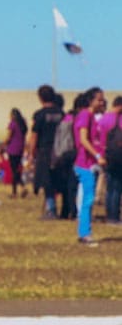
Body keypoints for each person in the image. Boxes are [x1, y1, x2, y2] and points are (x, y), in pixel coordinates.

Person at [74, 87, 106, 246]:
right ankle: (85, 234)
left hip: (90, 164)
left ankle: (84, 231)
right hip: (84, 164)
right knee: (88, 199)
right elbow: (83, 139)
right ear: (91, 101)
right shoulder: (85, 115)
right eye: (99, 99)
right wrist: (97, 156)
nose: (102, 102)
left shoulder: (93, 117)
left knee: (87, 198)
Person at [29, 85, 65, 220]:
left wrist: (32, 153)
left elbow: (34, 136)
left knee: (47, 181)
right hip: (61, 151)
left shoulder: (39, 115)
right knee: (59, 180)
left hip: (44, 151)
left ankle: (51, 209)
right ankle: (65, 209)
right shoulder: (61, 114)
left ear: (40, 98)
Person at [99, 96, 122, 225]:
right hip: (119, 158)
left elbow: (101, 140)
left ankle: (110, 215)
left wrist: (101, 156)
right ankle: (115, 216)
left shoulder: (104, 119)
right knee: (117, 188)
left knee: (110, 187)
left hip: (107, 157)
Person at [4, 108, 28, 198]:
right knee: (16, 170)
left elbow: (9, 136)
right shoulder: (23, 124)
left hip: (12, 149)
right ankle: (21, 188)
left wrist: (4, 143)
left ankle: (16, 191)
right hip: (20, 149)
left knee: (14, 171)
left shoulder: (12, 124)